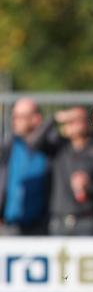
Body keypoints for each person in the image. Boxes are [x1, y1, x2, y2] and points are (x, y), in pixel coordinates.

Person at [31, 107, 93, 236]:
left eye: (77, 120)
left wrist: (89, 186)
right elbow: (33, 143)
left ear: (87, 123)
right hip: (58, 221)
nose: (72, 124)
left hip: (86, 221)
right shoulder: (58, 148)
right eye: (69, 120)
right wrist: (54, 118)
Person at [0, 98, 51, 235]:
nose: (15, 121)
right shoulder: (9, 146)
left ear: (36, 119)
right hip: (10, 224)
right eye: (14, 116)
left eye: (21, 116)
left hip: (41, 225)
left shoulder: (49, 146)